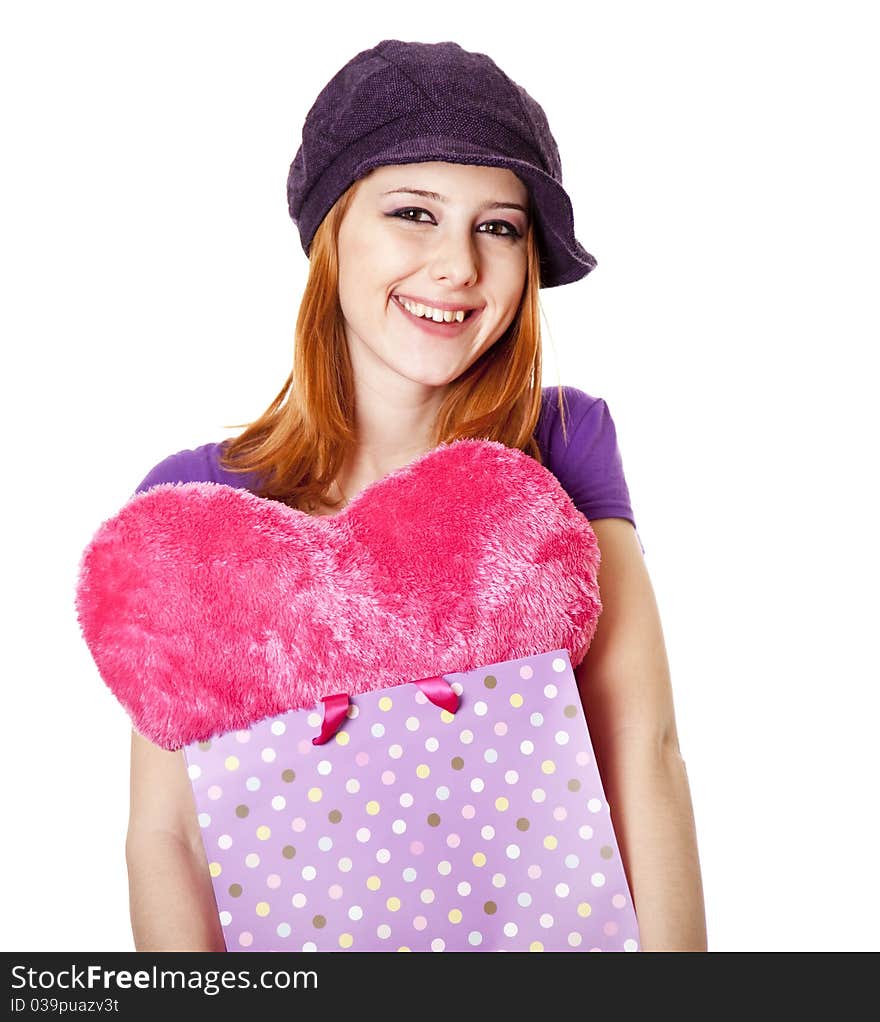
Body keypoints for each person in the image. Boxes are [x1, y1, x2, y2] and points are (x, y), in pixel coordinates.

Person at [124, 39, 707, 952]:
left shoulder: (562, 447)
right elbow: (167, 837)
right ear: (333, 231)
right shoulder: (200, 506)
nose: (458, 266)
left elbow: (645, 748)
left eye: (500, 226)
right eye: (413, 213)